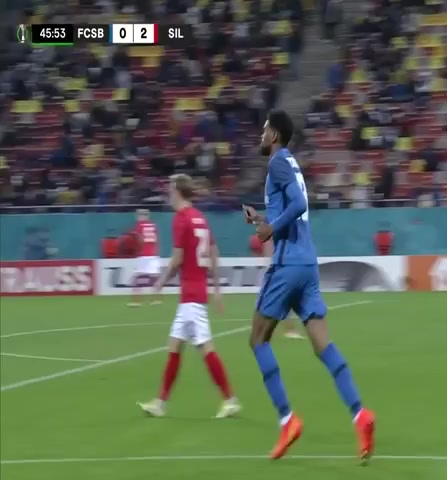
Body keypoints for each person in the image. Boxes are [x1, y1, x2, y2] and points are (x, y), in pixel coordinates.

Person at [243, 110, 375, 462]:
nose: (260, 135)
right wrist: (262, 220)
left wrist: (270, 229)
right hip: (307, 265)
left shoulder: (277, 163)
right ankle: (360, 414)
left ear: (274, 135)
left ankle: (287, 420)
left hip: (287, 265)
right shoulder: (291, 163)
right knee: (323, 345)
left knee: (257, 339)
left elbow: (301, 204)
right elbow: (293, 210)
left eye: (264, 130)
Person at [137, 174, 240, 419]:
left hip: (191, 296)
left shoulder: (181, 219)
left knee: (205, 348)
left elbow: (177, 259)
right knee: (175, 346)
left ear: (178, 192)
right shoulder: (200, 218)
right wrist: (216, 288)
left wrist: (160, 282)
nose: (168, 195)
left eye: (170, 191)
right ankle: (160, 403)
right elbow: (214, 251)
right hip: (195, 293)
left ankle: (229, 399)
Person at [128, 209, 161, 307]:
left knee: (137, 277)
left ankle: (136, 301)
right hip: (153, 254)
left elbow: (138, 240)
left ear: (142, 216)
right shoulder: (154, 225)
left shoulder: (139, 225)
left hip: (143, 254)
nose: (137, 217)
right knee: (155, 277)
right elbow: (156, 239)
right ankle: (156, 299)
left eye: (139, 215)